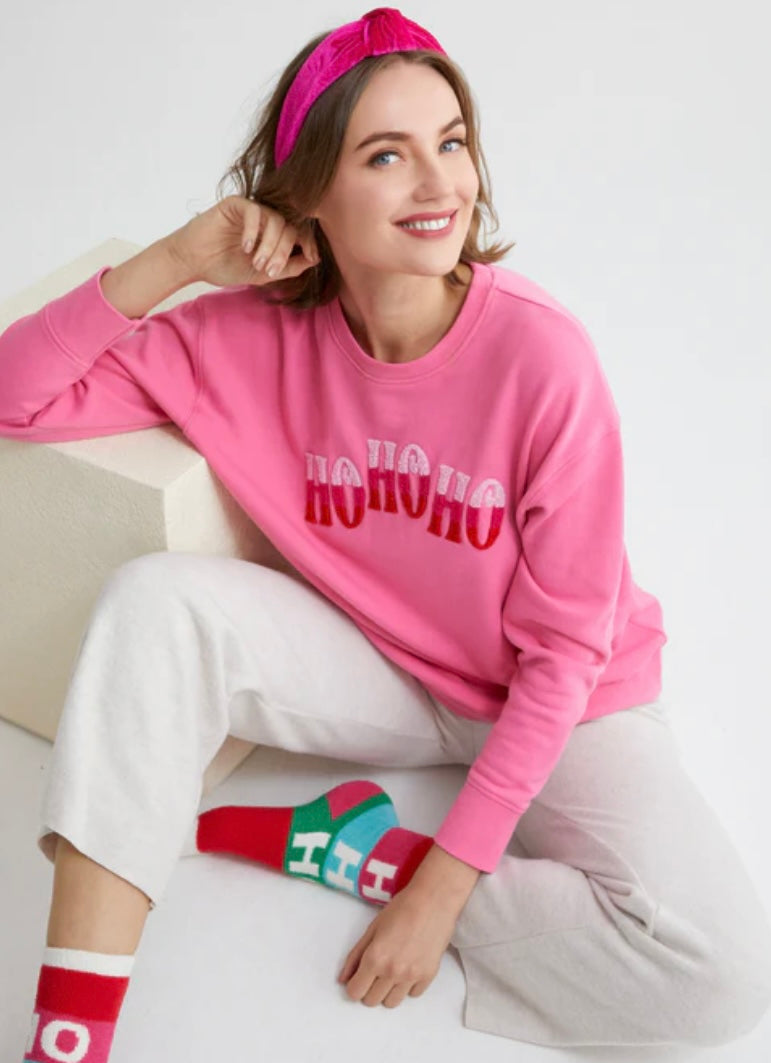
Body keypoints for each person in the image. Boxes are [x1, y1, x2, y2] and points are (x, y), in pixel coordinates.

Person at [2, 6, 770, 1059]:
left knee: (716, 981)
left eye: (451, 142)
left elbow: (564, 652)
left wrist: (440, 883)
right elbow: (17, 396)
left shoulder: (542, 359)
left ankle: (359, 850)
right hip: (389, 672)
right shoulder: (241, 337)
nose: (439, 183)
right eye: (385, 155)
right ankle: (69, 1038)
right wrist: (176, 259)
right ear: (308, 190)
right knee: (156, 601)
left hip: (566, 696)